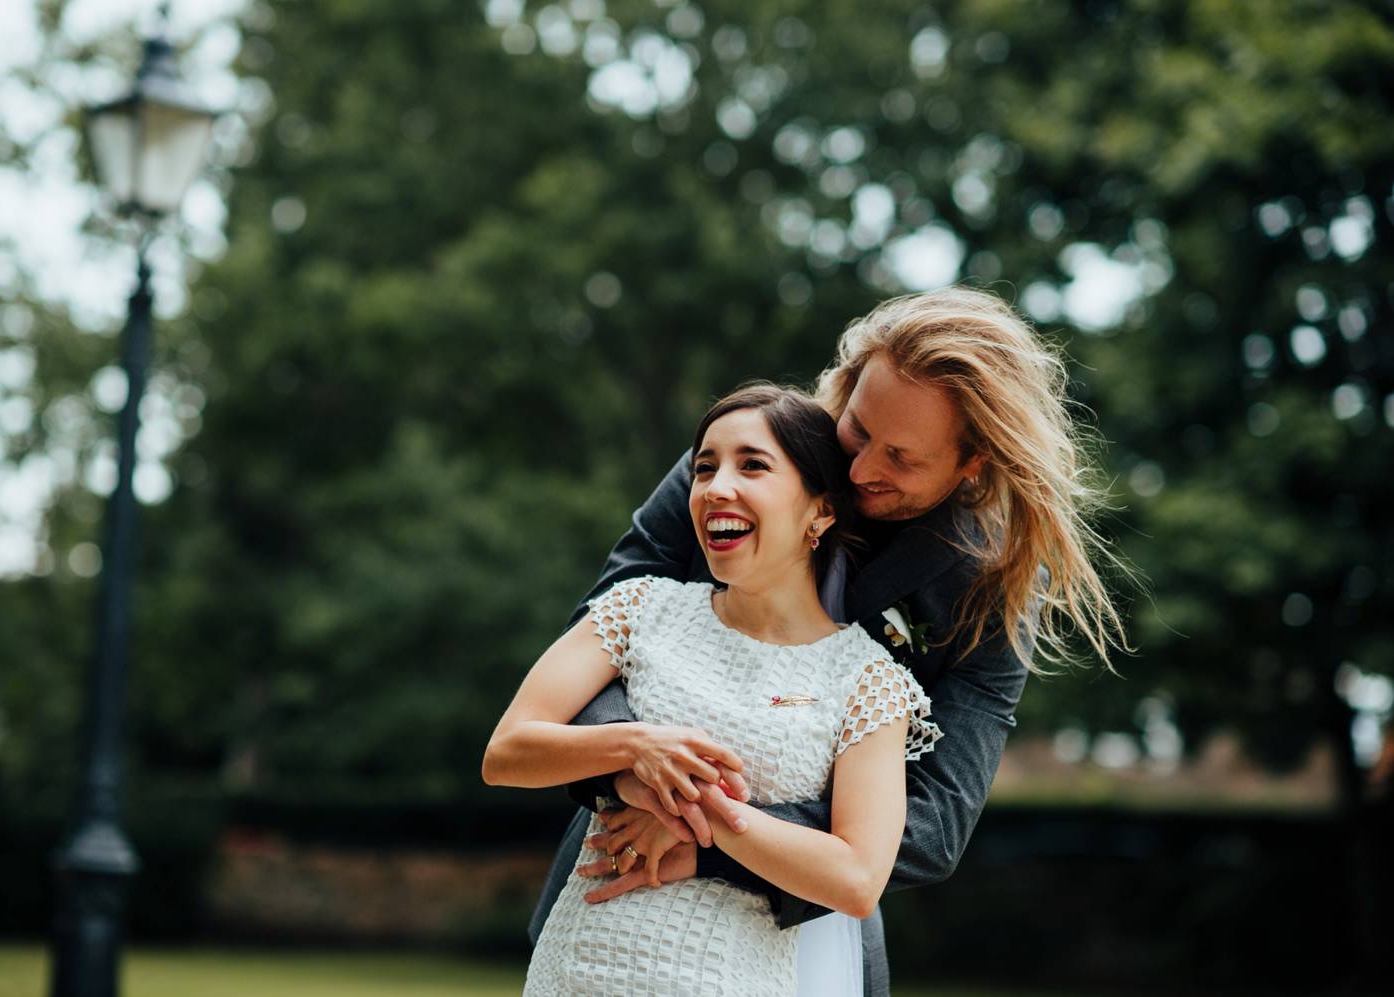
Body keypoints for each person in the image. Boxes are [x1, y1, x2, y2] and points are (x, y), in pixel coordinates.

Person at [528, 286, 1132, 996]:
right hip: (619, 881)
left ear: (972, 463)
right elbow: (599, 633)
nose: (859, 469)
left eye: (901, 457)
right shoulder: (740, 462)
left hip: (802, 930)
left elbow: (933, 825)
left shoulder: (989, 591)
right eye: (857, 427)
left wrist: (707, 834)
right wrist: (638, 775)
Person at [485, 384, 944, 995]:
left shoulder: (869, 682)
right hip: (579, 967)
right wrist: (633, 747)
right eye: (705, 468)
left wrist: (702, 817)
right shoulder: (639, 607)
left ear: (822, 509)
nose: (715, 487)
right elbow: (506, 753)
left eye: (752, 465)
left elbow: (857, 879)